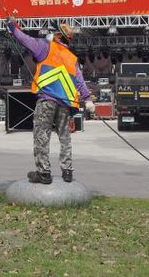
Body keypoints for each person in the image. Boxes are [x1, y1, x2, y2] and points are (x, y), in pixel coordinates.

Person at [6, 15, 95, 184]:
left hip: (47, 100)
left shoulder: (44, 47)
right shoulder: (72, 58)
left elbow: (24, 39)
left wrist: (12, 26)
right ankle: (67, 171)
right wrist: (88, 99)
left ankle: (44, 173)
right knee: (64, 136)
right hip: (65, 103)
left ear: (56, 36)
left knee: (42, 134)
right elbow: (80, 81)